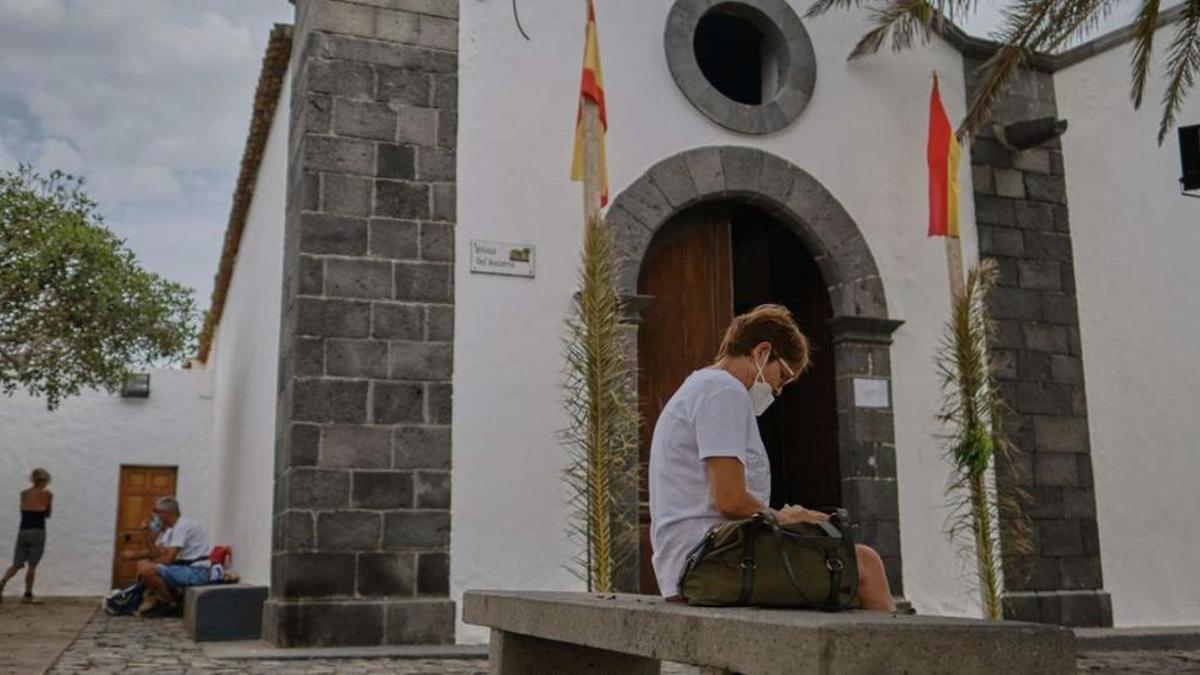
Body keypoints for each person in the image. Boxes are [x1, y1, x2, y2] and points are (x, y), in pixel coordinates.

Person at [649, 304, 896, 611]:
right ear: (762, 351)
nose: (778, 391)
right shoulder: (723, 391)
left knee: (842, 573)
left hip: (695, 559)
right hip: (709, 562)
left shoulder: (701, 387)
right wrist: (788, 517)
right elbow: (729, 500)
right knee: (865, 565)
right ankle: (895, 660)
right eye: (782, 376)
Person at [126, 496, 210, 617]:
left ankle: (170, 604)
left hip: (197, 572)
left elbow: (168, 559)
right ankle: (173, 599)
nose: (155, 516)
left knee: (147, 570)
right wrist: (145, 534)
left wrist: (149, 566)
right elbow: (156, 553)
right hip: (185, 567)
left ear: (166, 513)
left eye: (157, 512)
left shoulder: (182, 527)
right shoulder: (172, 529)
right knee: (143, 564)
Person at [1, 468, 54, 604]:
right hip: (37, 531)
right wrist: (49, 500)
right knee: (32, 566)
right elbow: (47, 514)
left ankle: (2, 582)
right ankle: (27, 594)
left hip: (23, 531)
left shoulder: (23, 493)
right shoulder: (46, 494)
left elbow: (24, 510)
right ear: (42, 481)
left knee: (16, 564)